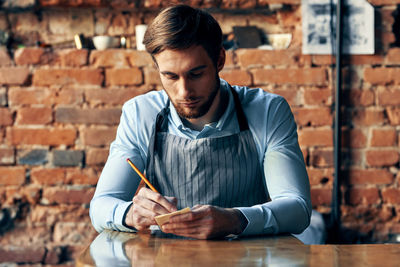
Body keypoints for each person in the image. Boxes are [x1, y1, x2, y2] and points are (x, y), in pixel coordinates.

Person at [90, 4, 312, 240]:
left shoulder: (267, 111)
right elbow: (100, 206)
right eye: (170, 76)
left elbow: (297, 209)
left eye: (196, 74)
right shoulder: (140, 113)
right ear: (157, 69)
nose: (184, 91)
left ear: (219, 60)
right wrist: (130, 214)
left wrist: (235, 219)